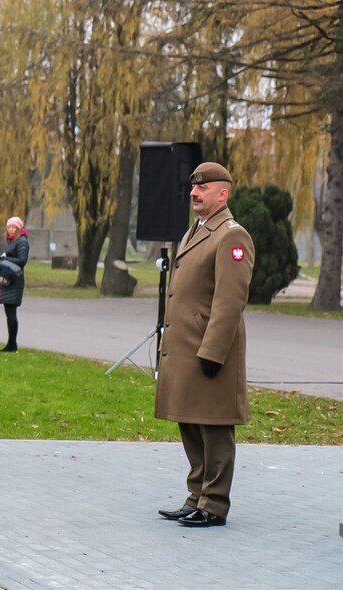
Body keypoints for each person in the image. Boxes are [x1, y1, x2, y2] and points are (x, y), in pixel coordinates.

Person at [155, 162, 255, 528]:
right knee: (190, 422)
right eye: (193, 188)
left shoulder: (232, 236)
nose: (194, 193)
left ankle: (214, 504)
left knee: (214, 426)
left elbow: (230, 302)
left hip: (209, 350)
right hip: (184, 348)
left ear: (222, 194)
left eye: (203, 188)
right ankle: (196, 495)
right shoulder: (195, 231)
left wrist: (213, 352)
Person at [0, 216, 29, 352]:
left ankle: (12, 344)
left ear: (19, 229)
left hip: (15, 280)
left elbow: (22, 260)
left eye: (13, 227)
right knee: (9, 313)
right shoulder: (13, 241)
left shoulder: (22, 242)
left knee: (11, 313)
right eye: (9, 227)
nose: (10, 229)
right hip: (8, 279)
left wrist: (5, 258)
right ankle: (11, 343)